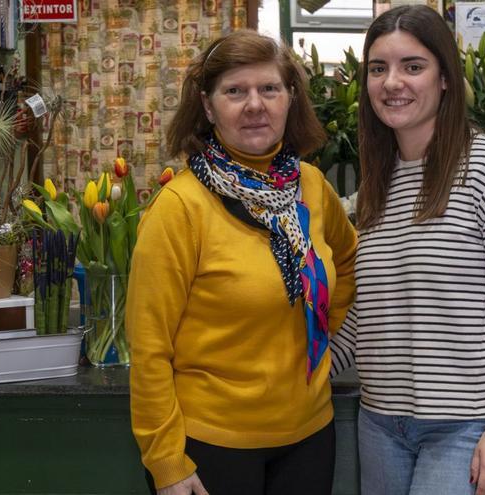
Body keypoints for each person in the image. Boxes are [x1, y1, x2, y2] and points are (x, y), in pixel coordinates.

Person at [330, 6, 485, 495]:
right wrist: (306, 368)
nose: (393, 82)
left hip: (469, 429)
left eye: (413, 66)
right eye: (378, 68)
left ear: (446, 78)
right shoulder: (379, 180)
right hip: (382, 422)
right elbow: (373, 306)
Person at [126, 30, 357, 495]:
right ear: (208, 107)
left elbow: (349, 260)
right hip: (211, 445)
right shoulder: (179, 207)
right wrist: (166, 461)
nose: (255, 104)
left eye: (269, 89)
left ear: (290, 99)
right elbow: (149, 348)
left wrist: (321, 330)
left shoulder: (311, 187)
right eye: (235, 91)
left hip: (310, 435)